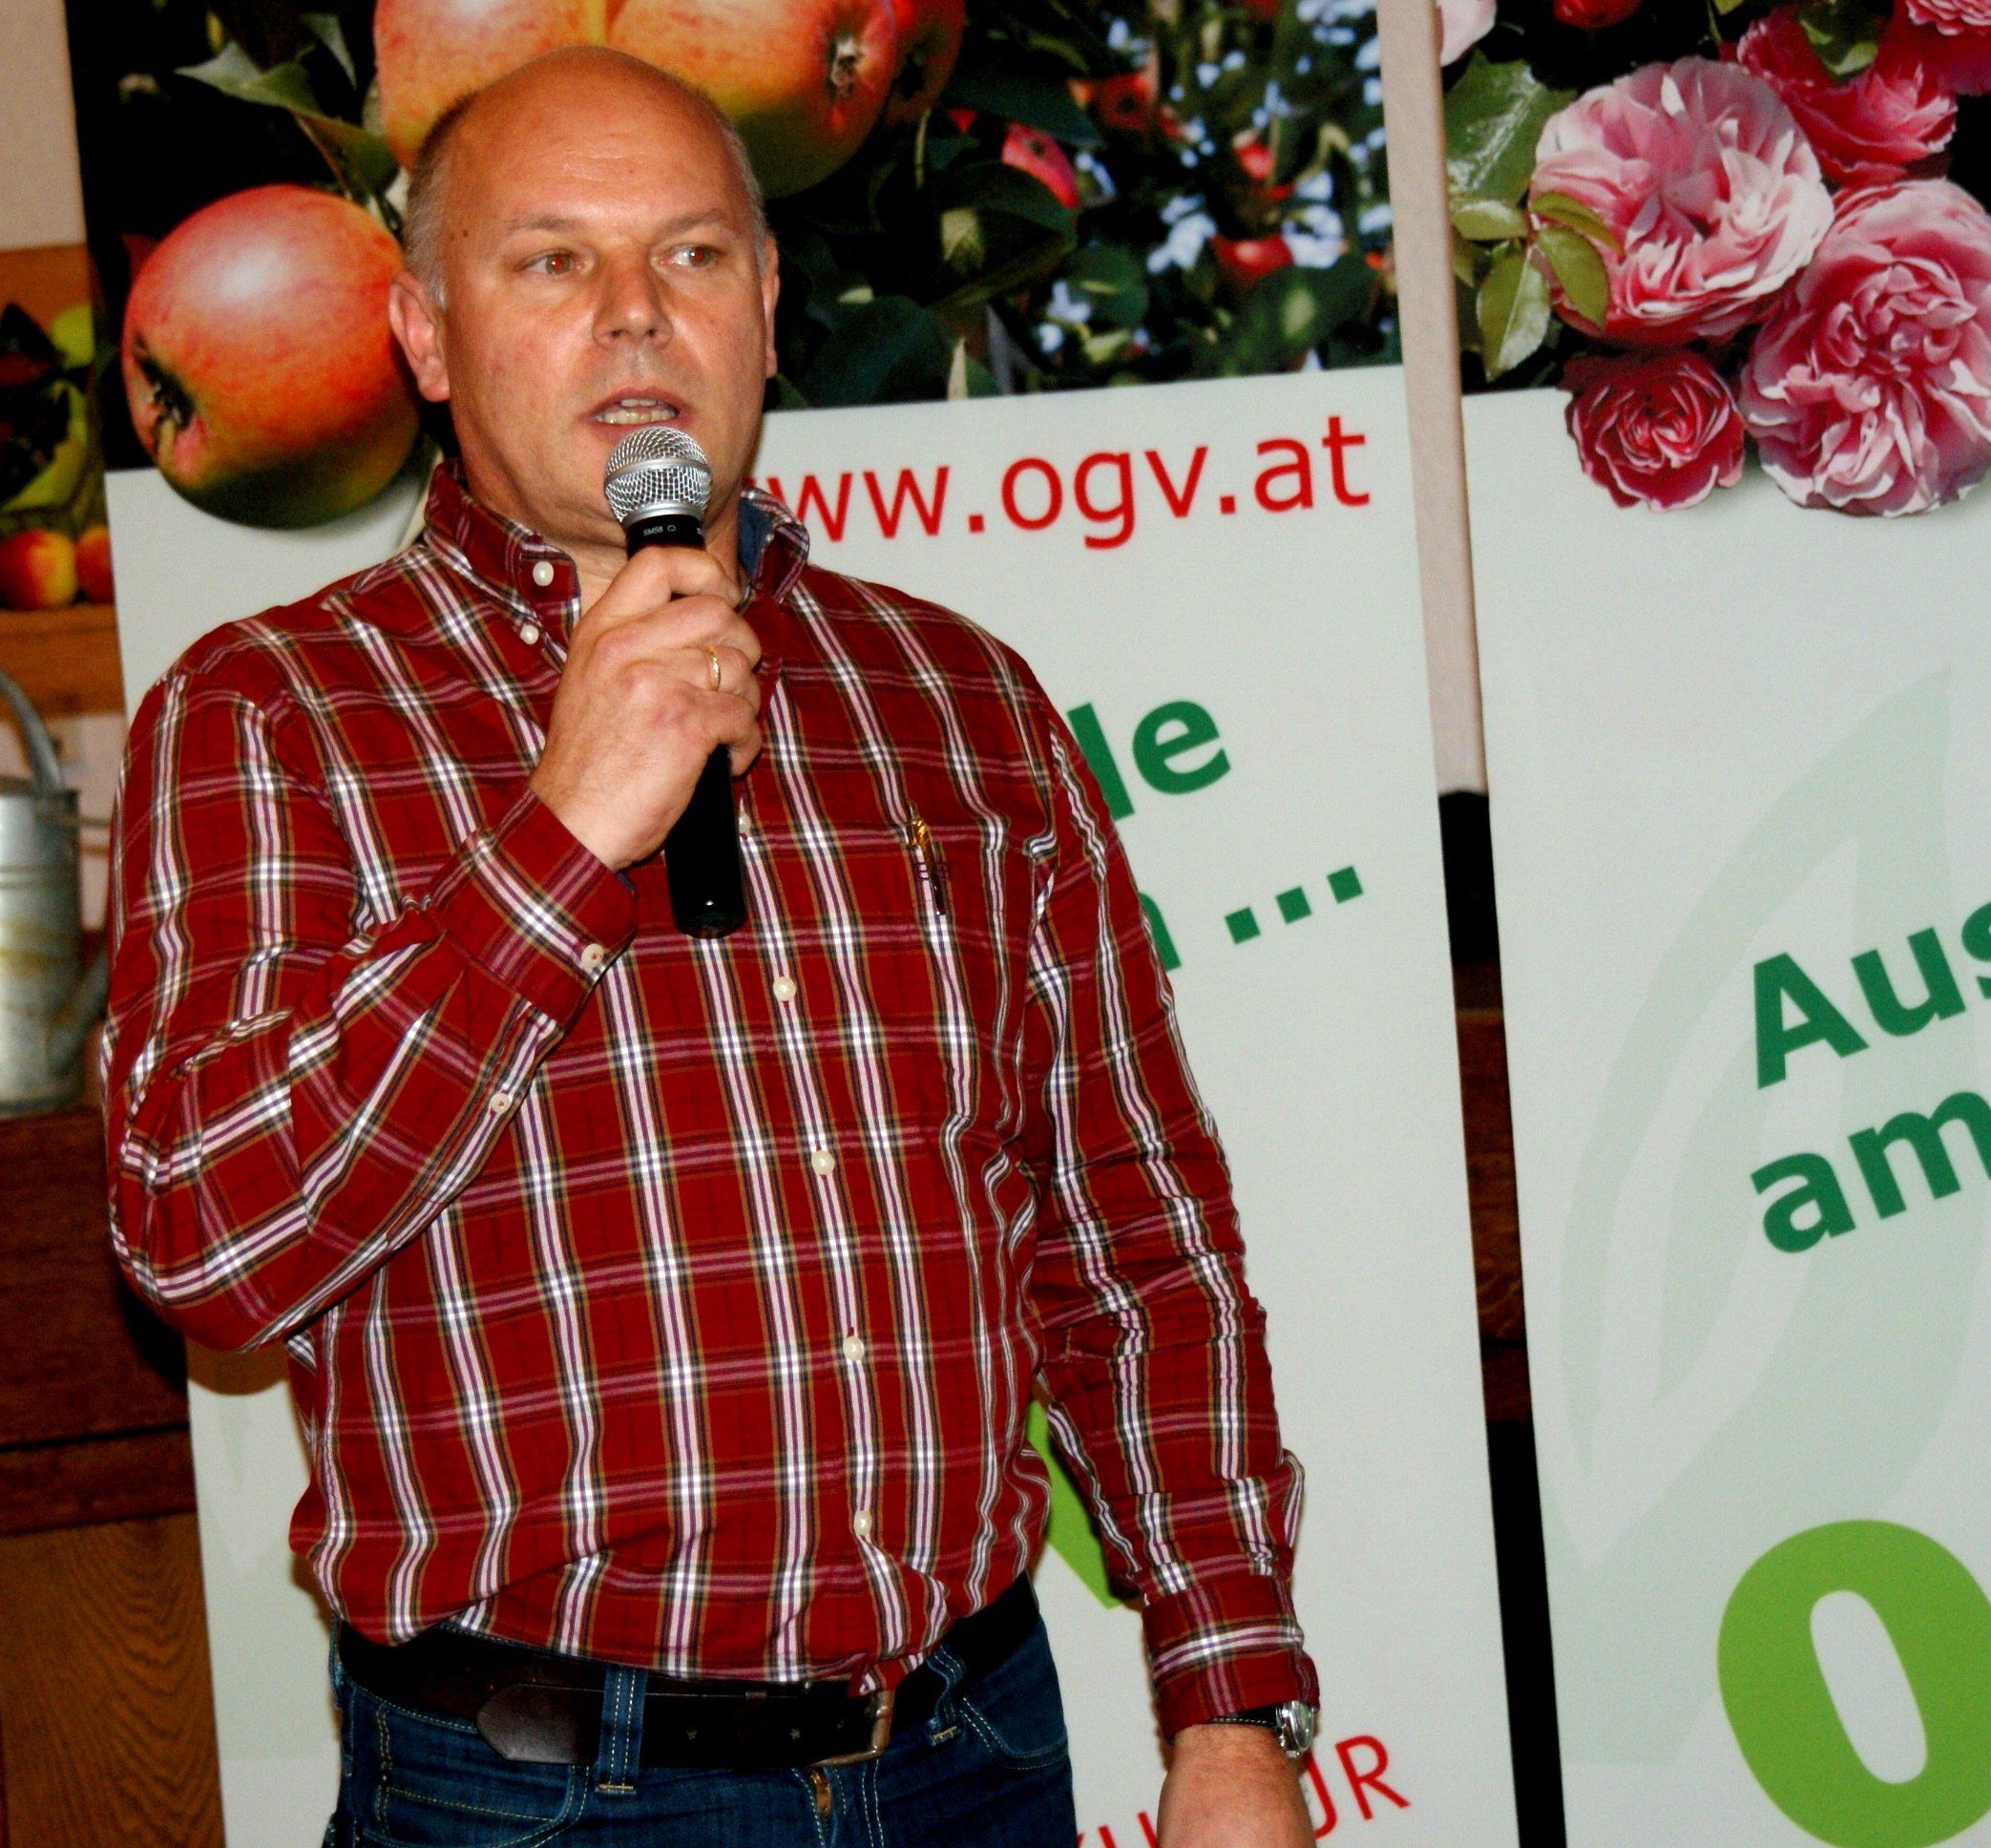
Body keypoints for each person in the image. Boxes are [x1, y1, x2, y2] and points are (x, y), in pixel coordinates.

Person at [100, 45, 1318, 1848]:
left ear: (766, 313)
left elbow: (1134, 1232)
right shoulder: (270, 711)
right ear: (426, 337)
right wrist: (562, 833)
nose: (632, 313)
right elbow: (199, 1249)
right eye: (550, 259)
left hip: (976, 1754)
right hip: (546, 1797)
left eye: (690, 255)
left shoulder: (958, 695)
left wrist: (1230, 1704)